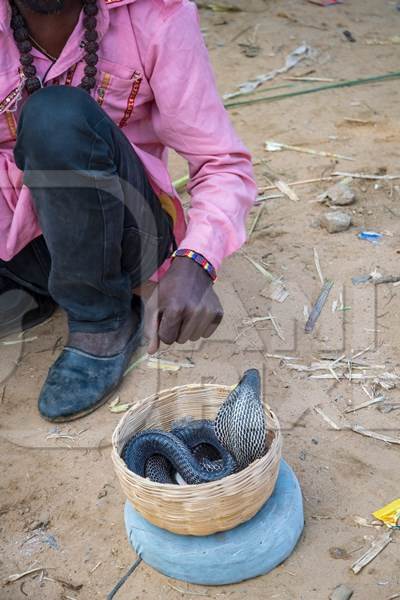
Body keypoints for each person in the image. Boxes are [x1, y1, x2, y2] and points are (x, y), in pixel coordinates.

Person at [0, 0, 256, 422]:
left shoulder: (160, 15)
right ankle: (32, 289)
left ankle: (100, 320)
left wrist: (196, 261)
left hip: (123, 236)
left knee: (54, 117)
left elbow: (221, 163)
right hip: (19, 241)